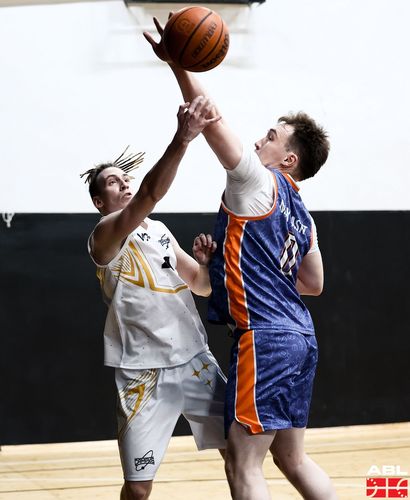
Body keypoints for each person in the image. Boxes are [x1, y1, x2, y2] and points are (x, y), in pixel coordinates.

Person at [144, 22, 338, 500]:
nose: (257, 142)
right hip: (301, 337)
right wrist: (243, 268)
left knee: (243, 461)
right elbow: (313, 283)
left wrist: (178, 64)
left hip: (266, 338)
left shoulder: (256, 181)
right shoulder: (304, 216)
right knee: (292, 458)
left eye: (270, 137)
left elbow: (210, 119)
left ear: (288, 160)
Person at [81, 98, 227, 500]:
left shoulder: (159, 231)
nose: (124, 183)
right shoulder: (104, 236)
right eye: (113, 182)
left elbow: (201, 287)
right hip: (142, 374)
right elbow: (150, 192)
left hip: (194, 360)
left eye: (124, 178)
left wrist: (205, 265)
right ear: (99, 202)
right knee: (138, 488)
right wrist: (183, 137)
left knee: (238, 454)